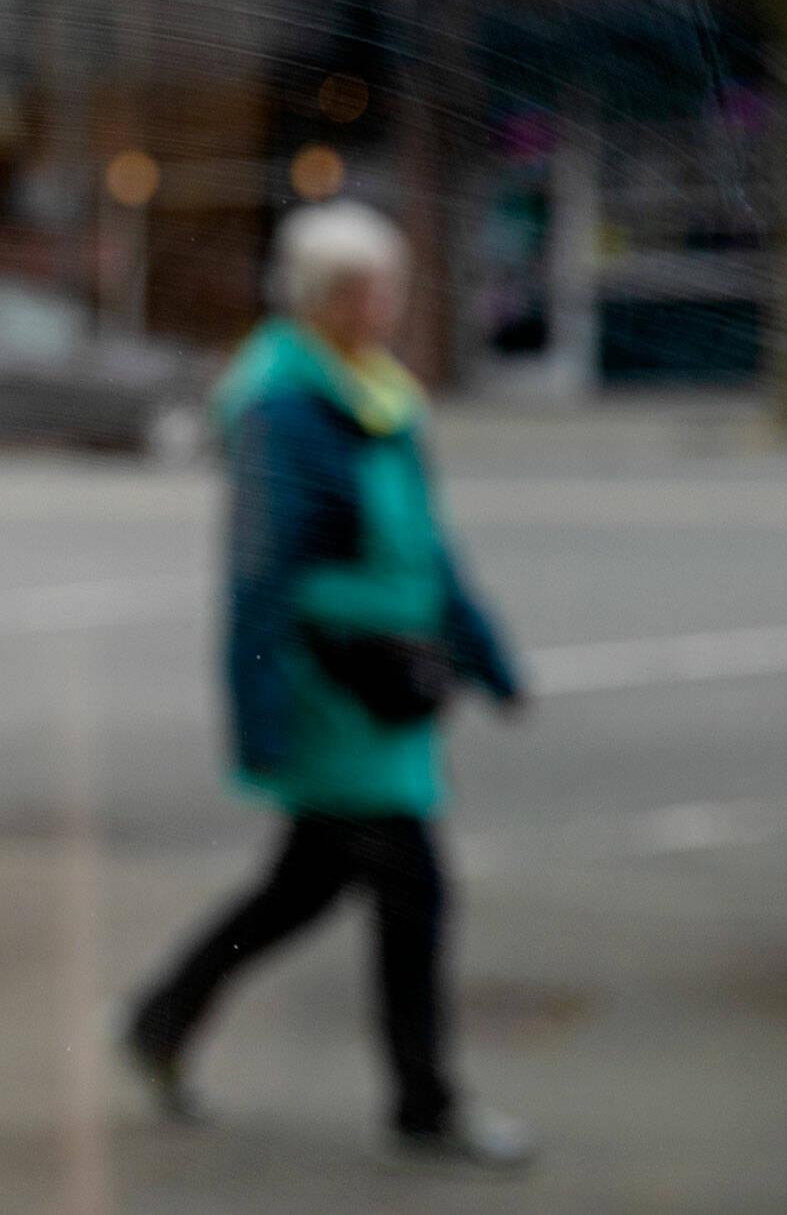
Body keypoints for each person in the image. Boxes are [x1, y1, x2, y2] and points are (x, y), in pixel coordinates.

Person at [124, 200, 532, 1167]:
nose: (387, 303)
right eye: (368, 288)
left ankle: (161, 1017)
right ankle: (425, 1105)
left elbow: (425, 548)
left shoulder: (374, 394)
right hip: (336, 687)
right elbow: (262, 574)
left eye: (388, 285)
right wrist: (261, 712)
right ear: (323, 300)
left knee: (303, 887)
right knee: (411, 890)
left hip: (385, 681)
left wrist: (485, 653)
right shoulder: (286, 408)